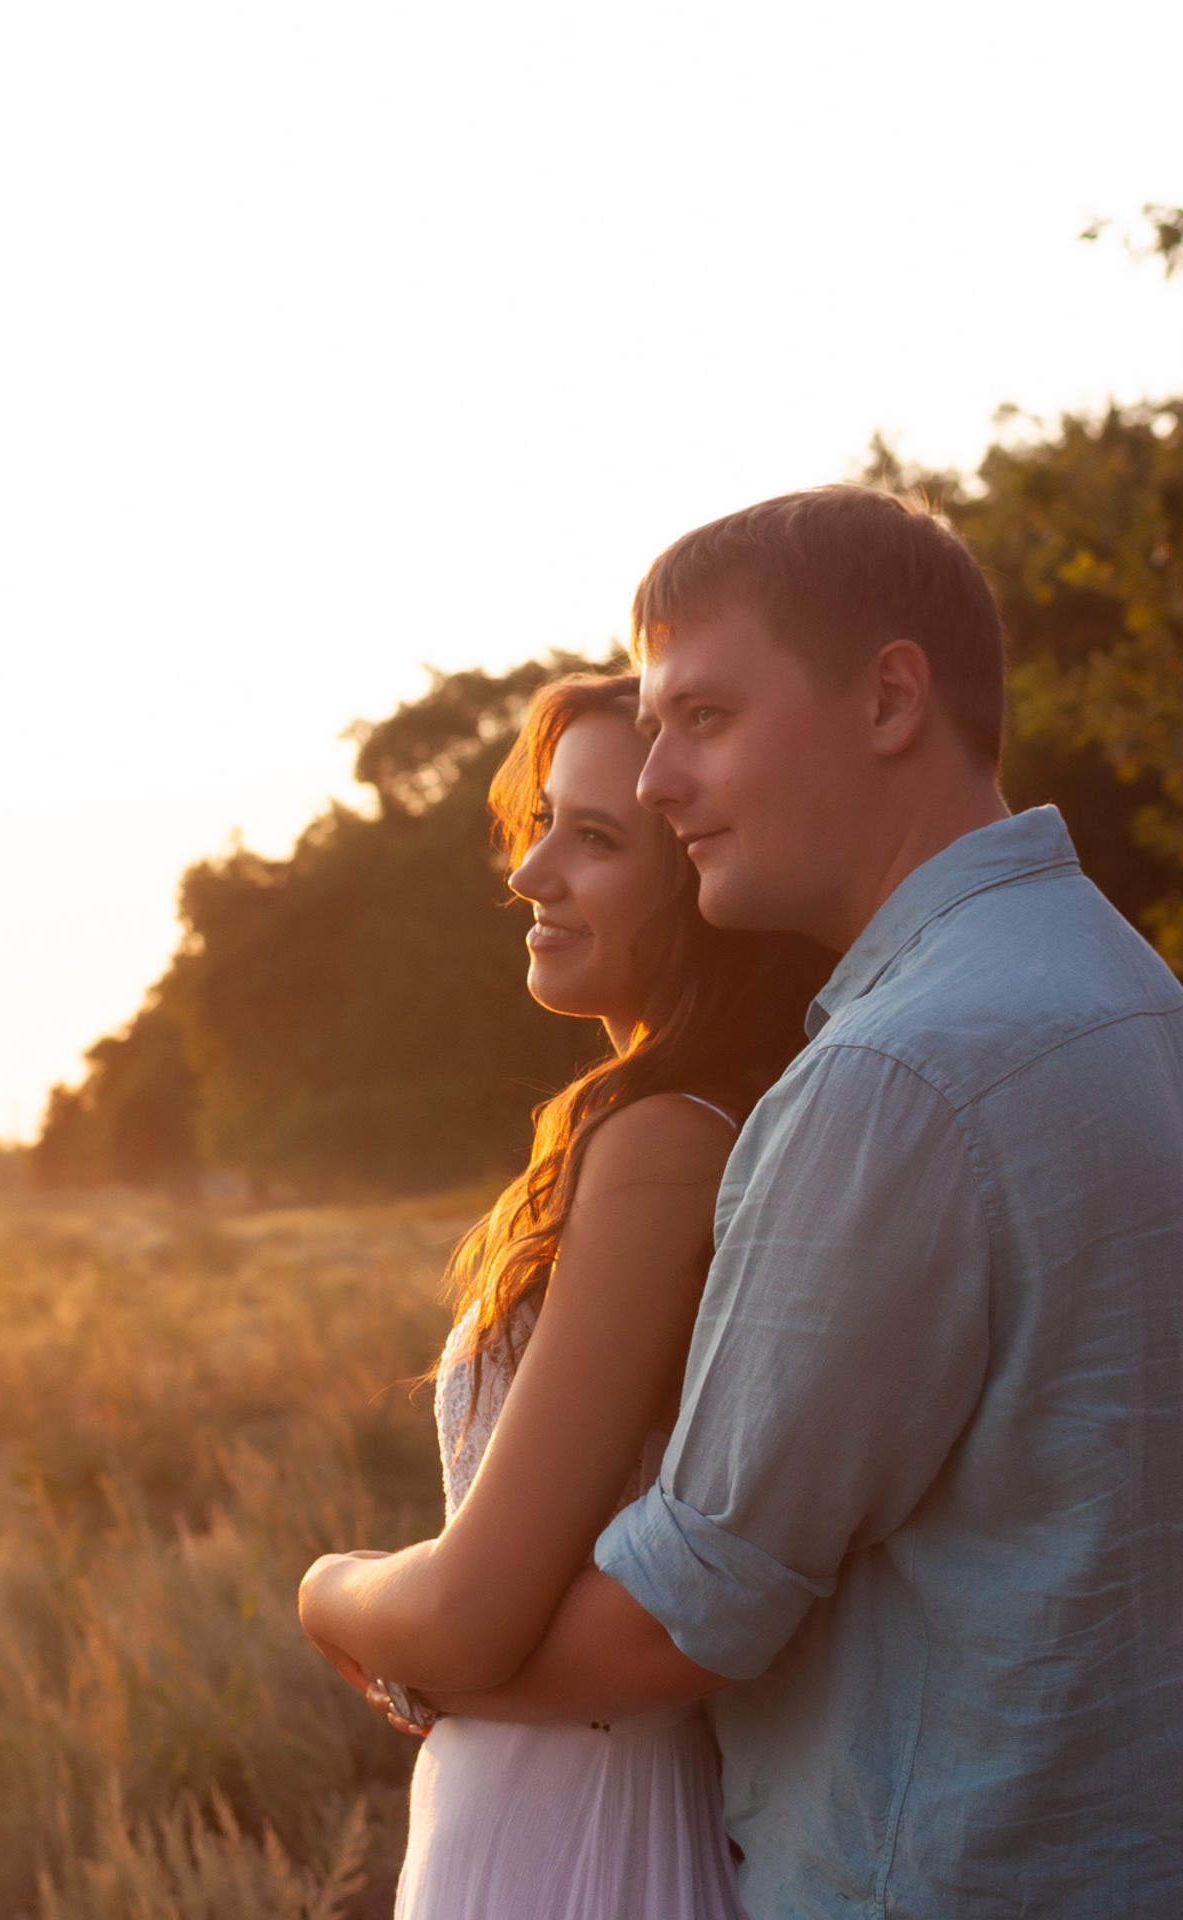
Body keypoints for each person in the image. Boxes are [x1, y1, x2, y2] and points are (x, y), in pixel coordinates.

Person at [308, 485, 1183, 1916]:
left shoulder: (900, 1072)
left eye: (707, 718)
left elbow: (674, 1626)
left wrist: (355, 1609)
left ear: (889, 699)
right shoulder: (1135, 1003)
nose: (666, 784)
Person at [300, 668, 829, 1915]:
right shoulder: (681, 1122)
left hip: (582, 1820)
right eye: (541, 820)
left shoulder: (668, 1142)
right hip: (553, 1786)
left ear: (699, 876)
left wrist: (327, 1591)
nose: (532, 873)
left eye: (593, 840)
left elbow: (478, 1614)